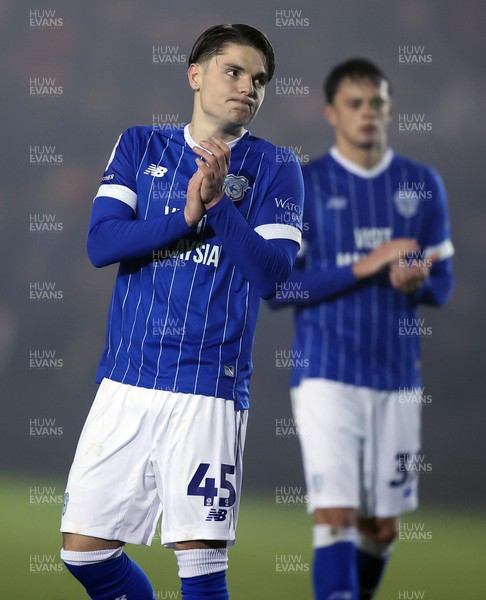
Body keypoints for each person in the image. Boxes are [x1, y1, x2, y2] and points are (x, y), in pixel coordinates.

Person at [60, 24, 304, 600]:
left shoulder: (276, 166)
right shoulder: (140, 145)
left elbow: (271, 276)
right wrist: (185, 215)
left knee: (199, 566)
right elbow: (102, 244)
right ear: (195, 75)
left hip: (207, 387)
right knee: (81, 552)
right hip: (126, 378)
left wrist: (218, 203)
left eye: (259, 79)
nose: (249, 87)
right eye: (234, 71)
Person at [269, 58, 454, 599]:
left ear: (390, 110)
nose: (367, 113)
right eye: (355, 103)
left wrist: (415, 282)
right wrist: (365, 265)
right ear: (331, 112)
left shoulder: (421, 184)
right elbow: (281, 290)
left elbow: (443, 287)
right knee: (336, 516)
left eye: (376, 103)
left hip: (396, 377)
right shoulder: (305, 183)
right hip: (326, 373)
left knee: (380, 528)